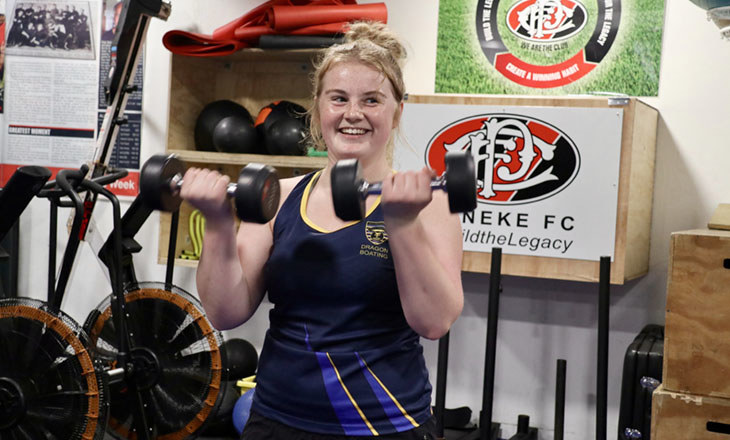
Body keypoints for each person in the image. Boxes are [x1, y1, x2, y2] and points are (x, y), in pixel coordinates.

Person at [180, 21, 464, 440]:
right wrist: (219, 222)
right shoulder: (276, 197)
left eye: (372, 100)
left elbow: (435, 322)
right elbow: (227, 312)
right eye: (339, 99)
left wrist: (401, 222)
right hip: (277, 418)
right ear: (317, 109)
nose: (354, 113)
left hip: (384, 423)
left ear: (396, 110)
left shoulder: (429, 203)